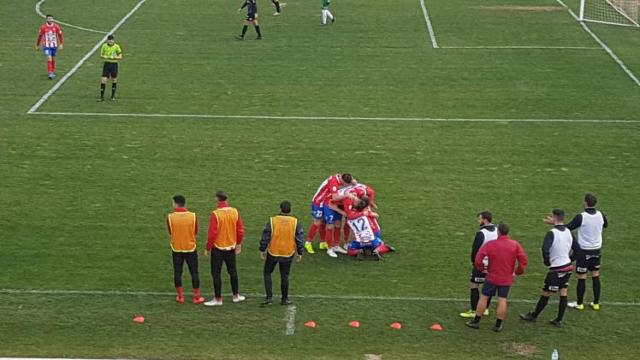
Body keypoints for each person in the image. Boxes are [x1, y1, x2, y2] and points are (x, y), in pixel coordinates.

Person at [465, 223, 528, 332]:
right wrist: (517, 272)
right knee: (502, 300)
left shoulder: (491, 244)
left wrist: (481, 268)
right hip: (506, 278)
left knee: (484, 297)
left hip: (492, 276)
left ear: (498, 232)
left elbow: (478, 258)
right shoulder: (515, 244)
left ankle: (476, 321)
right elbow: (523, 261)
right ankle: (498, 325)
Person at [567, 193, 608, 311]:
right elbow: (605, 225)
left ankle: (580, 304)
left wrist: (555, 224)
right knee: (595, 275)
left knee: (582, 277)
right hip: (596, 250)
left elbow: (569, 227)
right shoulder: (601, 215)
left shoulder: (581, 216)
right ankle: (596, 303)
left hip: (584, 250)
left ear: (585, 202)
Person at [204, 191, 246, 306]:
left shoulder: (216, 214)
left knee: (216, 272)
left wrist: (208, 247)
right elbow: (240, 231)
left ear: (217, 200)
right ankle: (236, 295)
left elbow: (212, 233)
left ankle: (218, 299)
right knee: (232, 271)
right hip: (231, 247)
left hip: (218, 248)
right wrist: (238, 243)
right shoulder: (235, 212)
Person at [259, 201, 304, 305]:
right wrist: (300, 252)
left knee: (267, 273)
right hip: (288, 253)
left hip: (273, 252)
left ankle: (269, 297)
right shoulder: (295, 222)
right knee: (285, 276)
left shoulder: (272, 220)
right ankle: (284, 299)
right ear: (290, 210)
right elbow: (299, 238)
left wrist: (262, 249)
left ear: (280, 208)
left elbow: (266, 236)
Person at [166, 195, 205, 305]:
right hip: (190, 248)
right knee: (194, 272)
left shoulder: (170, 217)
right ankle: (196, 298)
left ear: (176, 204)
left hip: (177, 248)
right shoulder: (192, 216)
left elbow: (170, 231)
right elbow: (195, 231)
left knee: (177, 272)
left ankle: (180, 297)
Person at [460, 211, 497, 318]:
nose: (478, 221)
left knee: (474, 285)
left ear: (485, 219)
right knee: (489, 286)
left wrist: (474, 262)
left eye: (479, 219)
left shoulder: (481, 233)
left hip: (481, 264)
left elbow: (475, 250)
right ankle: (485, 309)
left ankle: (474, 310)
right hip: (493, 265)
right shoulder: (497, 231)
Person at [36, 14, 63, 80]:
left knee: (53, 59)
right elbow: (39, 36)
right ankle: (50, 73)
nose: (50, 20)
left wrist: (61, 44)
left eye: (51, 19)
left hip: (54, 46)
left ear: (53, 19)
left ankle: (52, 71)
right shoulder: (43, 27)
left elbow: (60, 35)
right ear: (46, 19)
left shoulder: (56, 26)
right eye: (49, 19)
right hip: (46, 46)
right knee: (49, 58)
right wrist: (37, 45)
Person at [99, 34, 122, 101]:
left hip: (114, 65)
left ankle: (112, 96)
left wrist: (114, 57)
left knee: (114, 80)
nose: (110, 41)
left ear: (113, 40)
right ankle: (101, 97)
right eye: (109, 40)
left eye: (111, 40)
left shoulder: (117, 46)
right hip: (107, 64)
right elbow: (101, 55)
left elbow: (120, 56)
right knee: (103, 80)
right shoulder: (104, 46)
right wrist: (104, 57)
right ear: (107, 40)